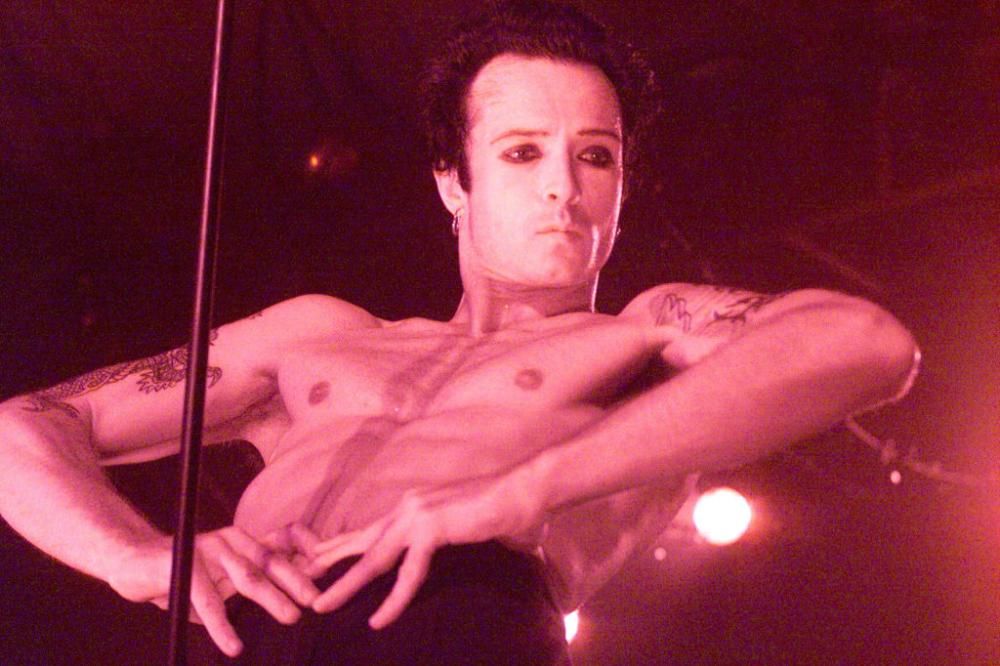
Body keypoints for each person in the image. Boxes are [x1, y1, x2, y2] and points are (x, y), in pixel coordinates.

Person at [0, 1, 919, 663]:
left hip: (465, 621)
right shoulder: (317, 334)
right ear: (452, 181)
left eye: (595, 156)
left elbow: (864, 343)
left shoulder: (643, 333)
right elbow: (26, 425)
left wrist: (524, 488)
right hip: (249, 631)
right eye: (522, 152)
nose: (563, 186)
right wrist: (134, 557)